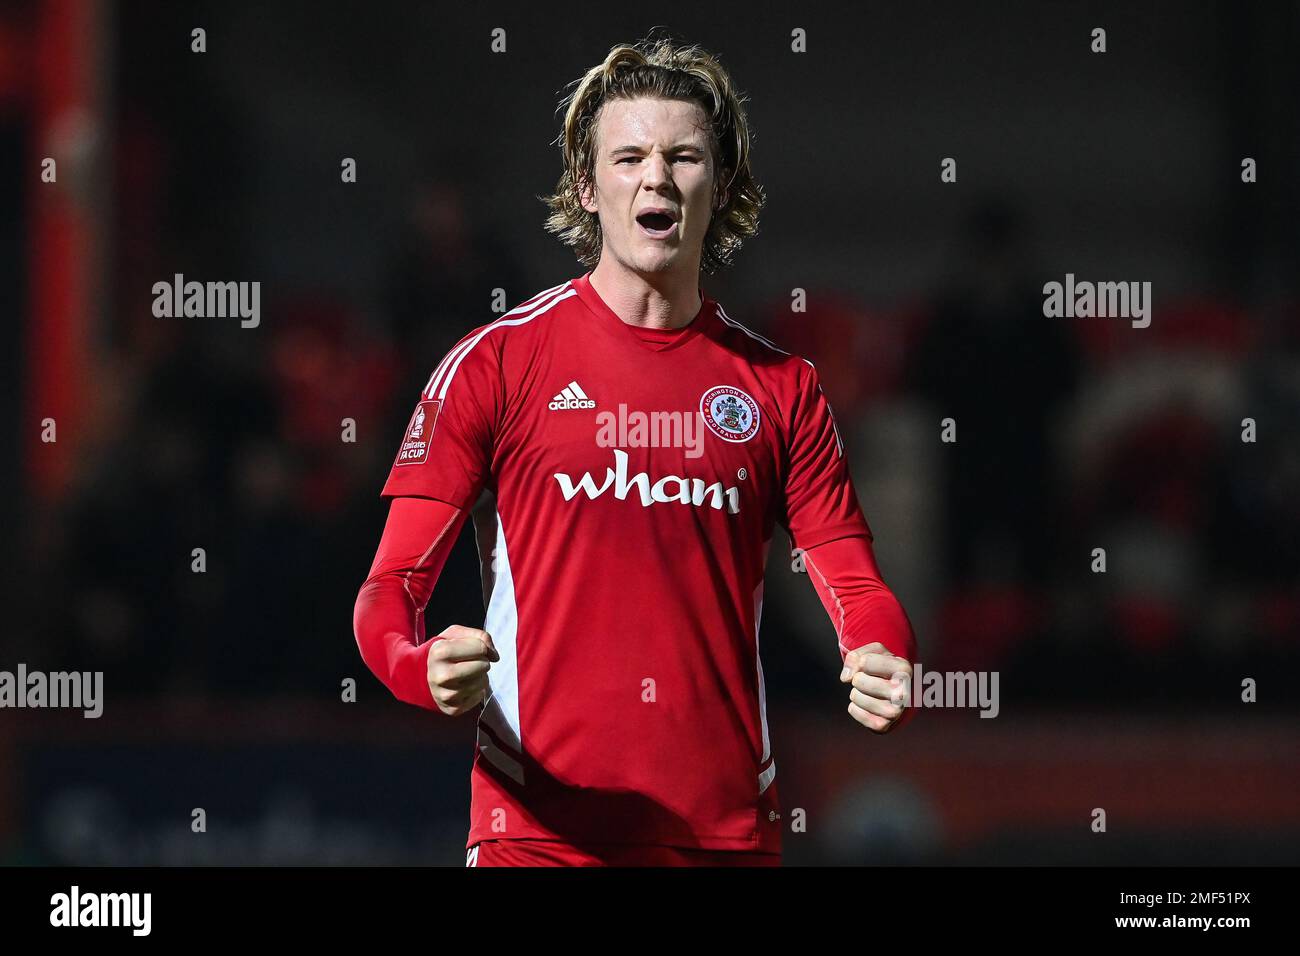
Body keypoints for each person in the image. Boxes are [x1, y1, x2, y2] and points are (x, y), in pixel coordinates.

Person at [353, 33, 916, 868]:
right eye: (628, 157)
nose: (656, 175)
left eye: (683, 156)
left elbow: (855, 584)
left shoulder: (781, 388)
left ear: (718, 186)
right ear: (587, 187)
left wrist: (885, 652)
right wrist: (415, 665)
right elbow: (388, 591)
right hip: (538, 836)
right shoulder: (495, 364)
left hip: (724, 837)